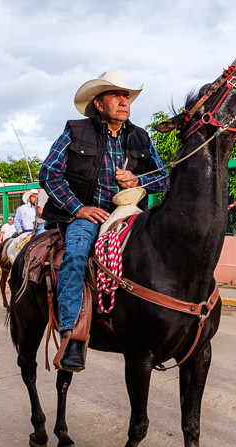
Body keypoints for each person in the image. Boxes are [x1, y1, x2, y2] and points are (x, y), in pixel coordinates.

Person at [39, 71, 169, 371]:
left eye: (127, 97)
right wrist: (78, 209)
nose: (124, 102)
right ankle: (72, 336)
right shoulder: (76, 132)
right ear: (99, 104)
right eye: (116, 96)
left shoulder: (140, 136)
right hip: (89, 215)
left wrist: (139, 180)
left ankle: (156, 330)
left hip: (130, 214)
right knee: (75, 255)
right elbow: (49, 173)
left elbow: (163, 177)